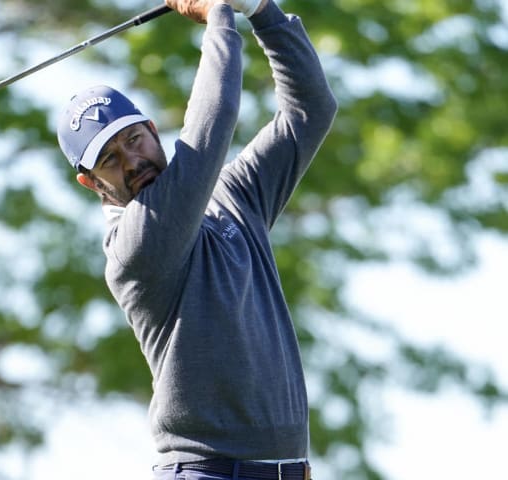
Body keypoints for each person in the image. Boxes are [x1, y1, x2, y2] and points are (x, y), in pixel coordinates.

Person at [56, 0, 337, 478]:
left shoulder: (232, 195)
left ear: (150, 130)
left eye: (132, 140)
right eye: (108, 159)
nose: (130, 162)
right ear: (91, 182)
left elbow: (310, 109)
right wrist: (219, 14)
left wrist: (264, 12)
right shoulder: (133, 245)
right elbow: (213, 123)